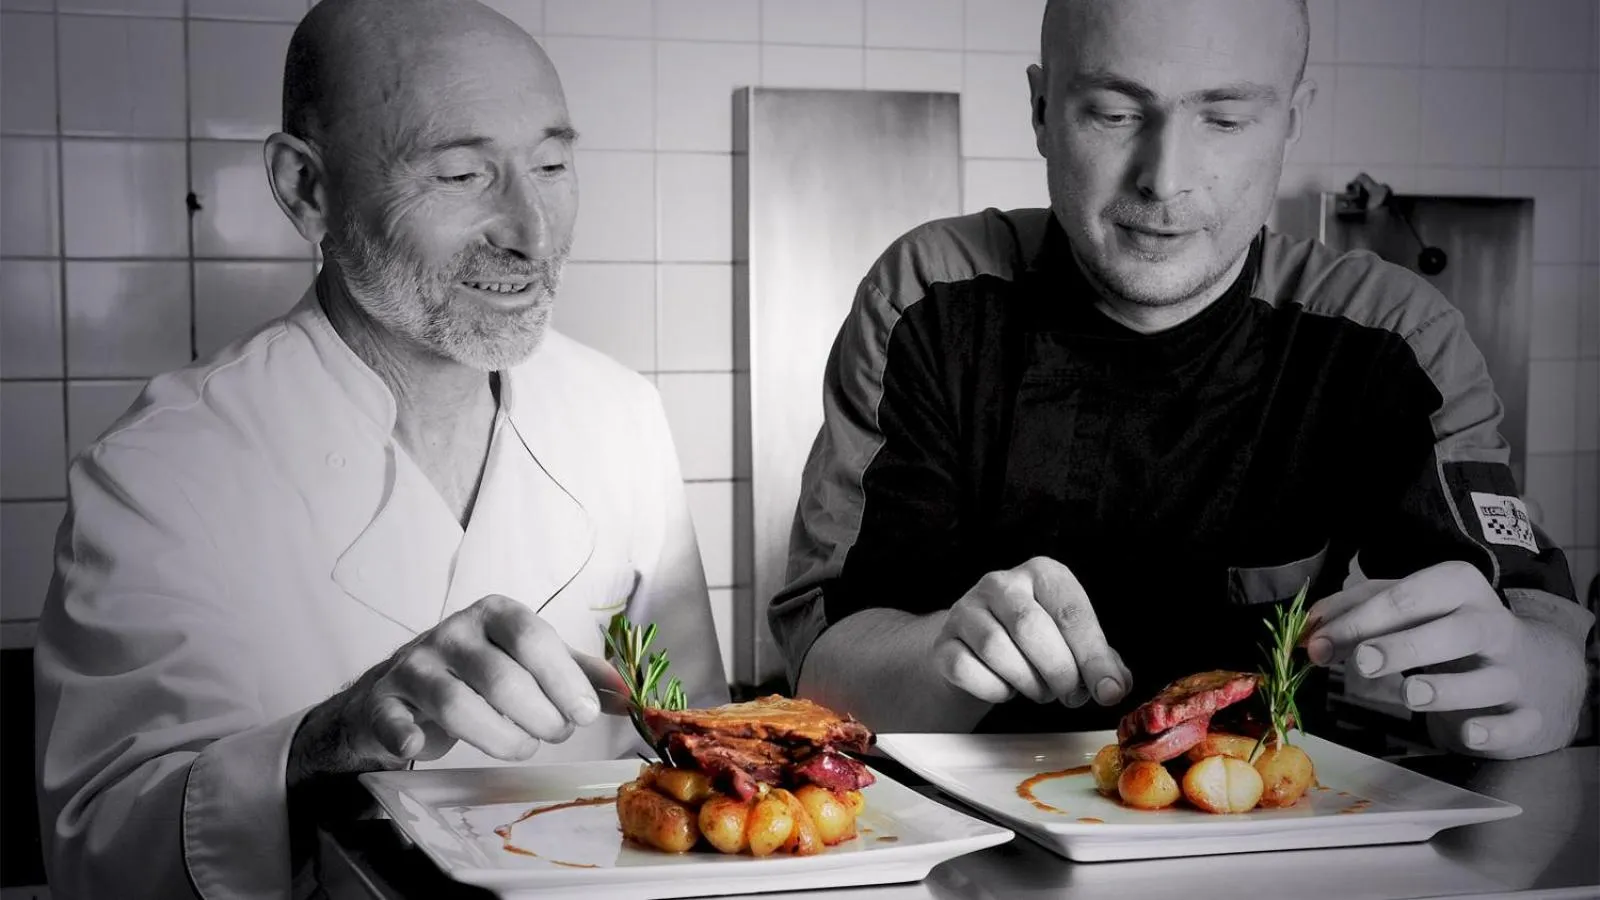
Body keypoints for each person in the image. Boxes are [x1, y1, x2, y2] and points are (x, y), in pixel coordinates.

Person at [772, 0, 1591, 761]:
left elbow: (1532, 627)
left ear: (1290, 121)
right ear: (1042, 110)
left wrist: (1534, 676)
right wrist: (945, 655)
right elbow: (823, 672)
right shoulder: (929, 300)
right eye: (1115, 113)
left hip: (1266, 832)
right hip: (964, 841)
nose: (1164, 179)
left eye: (1225, 119)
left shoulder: (1390, 334)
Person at [31, 1, 728, 897]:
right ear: (307, 189)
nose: (532, 233)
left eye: (552, 165)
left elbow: (701, 745)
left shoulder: (621, 416)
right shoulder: (164, 468)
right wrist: (326, 742)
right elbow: (102, 853)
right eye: (462, 174)